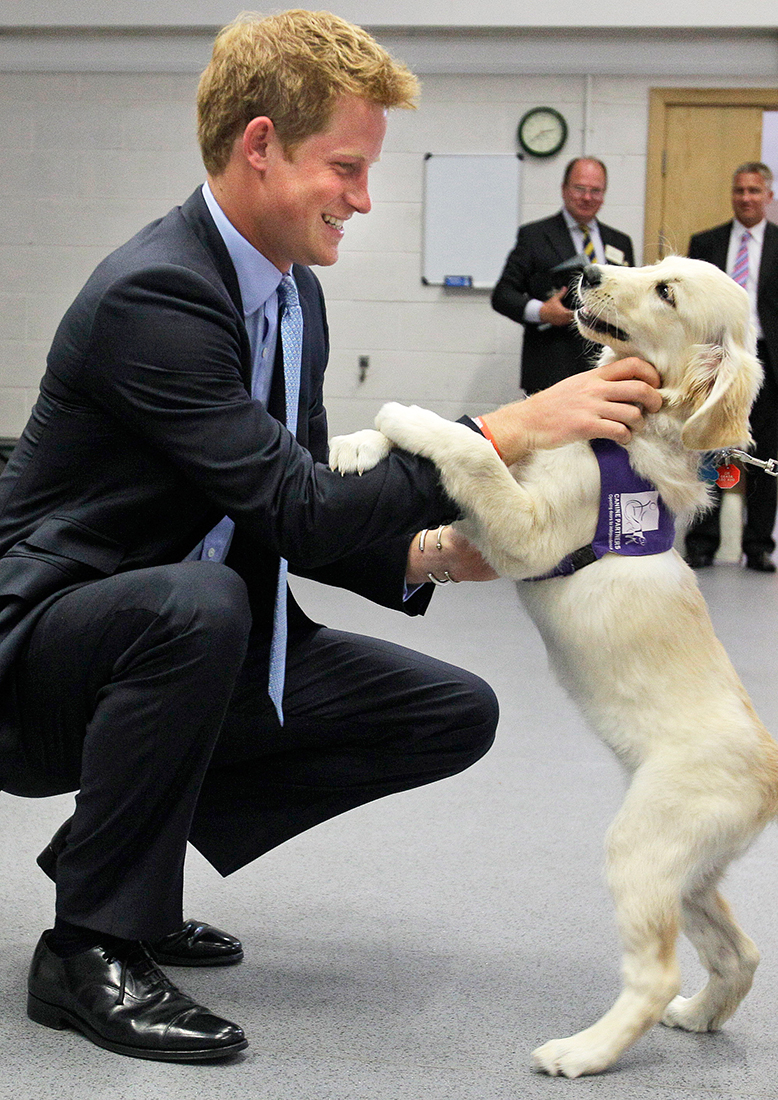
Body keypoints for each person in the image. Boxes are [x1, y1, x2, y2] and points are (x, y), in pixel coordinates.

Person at [0, 10, 662, 1064]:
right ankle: (86, 946)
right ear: (259, 144)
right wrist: (496, 432)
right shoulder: (156, 293)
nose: (362, 197)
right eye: (345, 167)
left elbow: (296, 510)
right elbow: (296, 508)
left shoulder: (295, 297)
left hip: (183, 639)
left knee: (449, 709)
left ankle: (124, 850)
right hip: (42, 662)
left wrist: (440, 551)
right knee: (200, 602)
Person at [683, 162, 778, 573]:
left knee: (764, 455)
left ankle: (758, 545)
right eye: (740, 190)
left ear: (768, 196)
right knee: (711, 449)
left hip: (767, 365)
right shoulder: (706, 243)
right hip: (718, 362)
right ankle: (702, 542)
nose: (746, 198)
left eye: (755, 191)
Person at [491, 157, 635, 394]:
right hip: (553, 368)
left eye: (595, 191)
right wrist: (542, 312)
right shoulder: (535, 236)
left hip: (608, 371)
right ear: (564, 189)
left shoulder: (620, 242)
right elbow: (503, 295)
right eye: (580, 188)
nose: (587, 197)